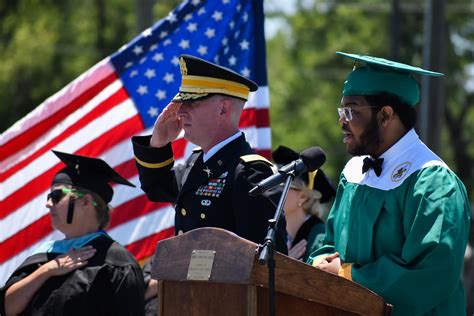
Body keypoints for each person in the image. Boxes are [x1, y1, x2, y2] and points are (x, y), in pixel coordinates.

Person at [307, 52, 471, 316]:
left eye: (351, 110)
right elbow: (330, 243)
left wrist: (346, 275)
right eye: (341, 111)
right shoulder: (354, 173)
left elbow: (429, 274)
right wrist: (318, 261)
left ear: (385, 115)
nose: (342, 121)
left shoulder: (433, 182)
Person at [132, 54, 287, 312]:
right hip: (190, 301)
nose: (180, 111)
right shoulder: (196, 165)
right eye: (182, 101)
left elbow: (267, 265)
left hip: (229, 305)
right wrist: (158, 144)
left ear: (223, 109)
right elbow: (156, 187)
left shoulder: (250, 172)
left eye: (191, 103)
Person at [0, 151, 145, 316]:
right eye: (49, 197)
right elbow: (7, 308)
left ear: (85, 201)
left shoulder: (117, 263)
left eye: (56, 196)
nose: (48, 204)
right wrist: (47, 270)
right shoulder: (43, 257)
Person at [272, 145, 336, 261]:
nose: (272, 192)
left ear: (303, 197)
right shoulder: (279, 236)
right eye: (271, 187)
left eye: (282, 187)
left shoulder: (320, 239)